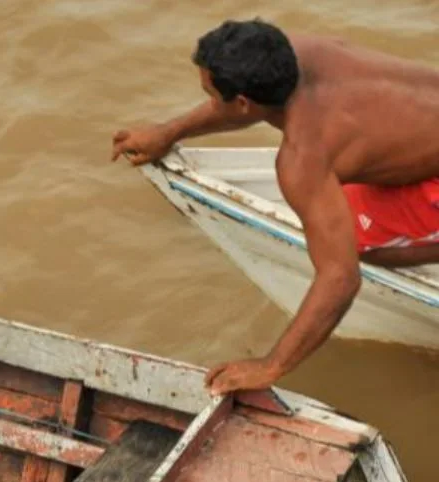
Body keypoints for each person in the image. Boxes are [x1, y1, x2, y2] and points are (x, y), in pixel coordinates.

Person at [111, 18, 439, 396]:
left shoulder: (303, 160)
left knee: (356, 243)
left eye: (212, 94)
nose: (211, 102)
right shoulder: (299, 50)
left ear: (244, 103)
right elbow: (236, 106)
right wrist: (169, 132)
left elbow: (341, 279)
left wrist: (271, 365)